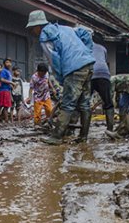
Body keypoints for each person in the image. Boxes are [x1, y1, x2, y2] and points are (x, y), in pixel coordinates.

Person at [26, 10, 95, 144]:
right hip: (88, 63)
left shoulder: (45, 36)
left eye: (32, 29)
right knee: (84, 103)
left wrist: (61, 77)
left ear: (37, 26)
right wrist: (86, 53)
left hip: (73, 68)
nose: (32, 31)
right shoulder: (65, 28)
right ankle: (83, 137)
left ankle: (56, 137)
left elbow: (54, 59)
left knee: (68, 104)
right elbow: (85, 35)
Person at [91, 33, 116, 131]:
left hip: (91, 73)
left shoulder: (87, 47)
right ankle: (110, 129)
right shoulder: (103, 48)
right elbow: (104, 60)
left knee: (83, 102)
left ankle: (80, 129)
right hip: (104, 74)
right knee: (108, 102)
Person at [0, 59, 14, 124]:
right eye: (7, 62)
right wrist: (11, 82)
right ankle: (1, 120)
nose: (9, 64)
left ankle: (3, 119)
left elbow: (7, 81)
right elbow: (1, 79)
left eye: (10, 62)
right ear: (4, 64)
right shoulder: (3, 71)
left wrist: (11, 85)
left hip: (8, 90)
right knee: (2, 106)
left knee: (6, 106)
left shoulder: (9, 72)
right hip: (3, 90)